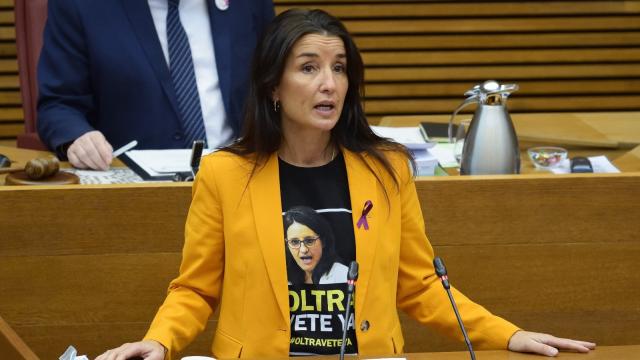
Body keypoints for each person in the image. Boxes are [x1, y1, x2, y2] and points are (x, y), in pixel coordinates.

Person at [96, 9, 596, 360]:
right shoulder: (226, 174)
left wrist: (506, 336)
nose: (329, 84)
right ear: (274, 86)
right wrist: (160, 341)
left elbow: (421, 284)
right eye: (309, 68)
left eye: (339, 69)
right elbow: (196, 289)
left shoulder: (387, 169)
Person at [37, 0, 274, 170]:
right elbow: (59, 104)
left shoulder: (248, 4)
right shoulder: (81, 6)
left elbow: (275, 86)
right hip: (131, 184)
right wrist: (79, 137)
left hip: (240, 176)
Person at [283, 206, 348, 285]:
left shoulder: (343, 276)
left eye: (309, 241)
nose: (303, 250)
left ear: (323, 241)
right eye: (294, 242)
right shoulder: (283, 278)